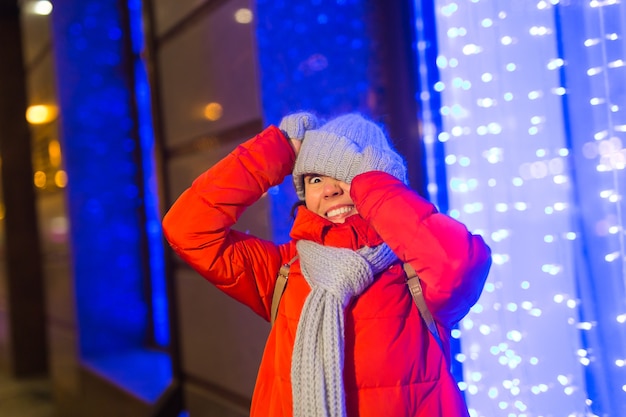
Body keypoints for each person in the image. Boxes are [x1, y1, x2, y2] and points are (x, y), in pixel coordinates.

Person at [162, 111, 492, 417]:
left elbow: (456, 264)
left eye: (345, 175)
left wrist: (373, 188)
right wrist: (278, 150)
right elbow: (188, 228)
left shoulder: (416, 272)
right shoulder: (283, 271)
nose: (330, 190)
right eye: (315, 179)